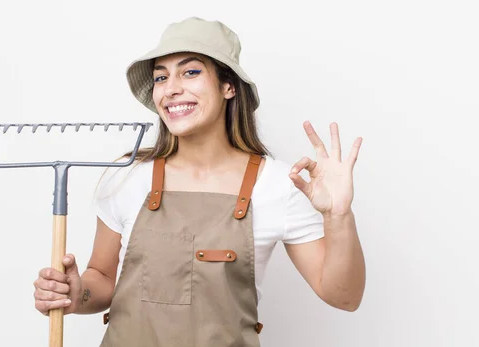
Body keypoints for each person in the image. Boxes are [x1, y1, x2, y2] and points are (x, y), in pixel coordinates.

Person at [32, 17, 365, 346]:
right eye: (161, 77)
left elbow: (344, 297)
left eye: (190, 72)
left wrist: (339, 216)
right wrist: (77, 295)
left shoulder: (277, 184)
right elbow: (102, 278)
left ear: (228, 86)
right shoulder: (128, 174)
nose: (171, 88)